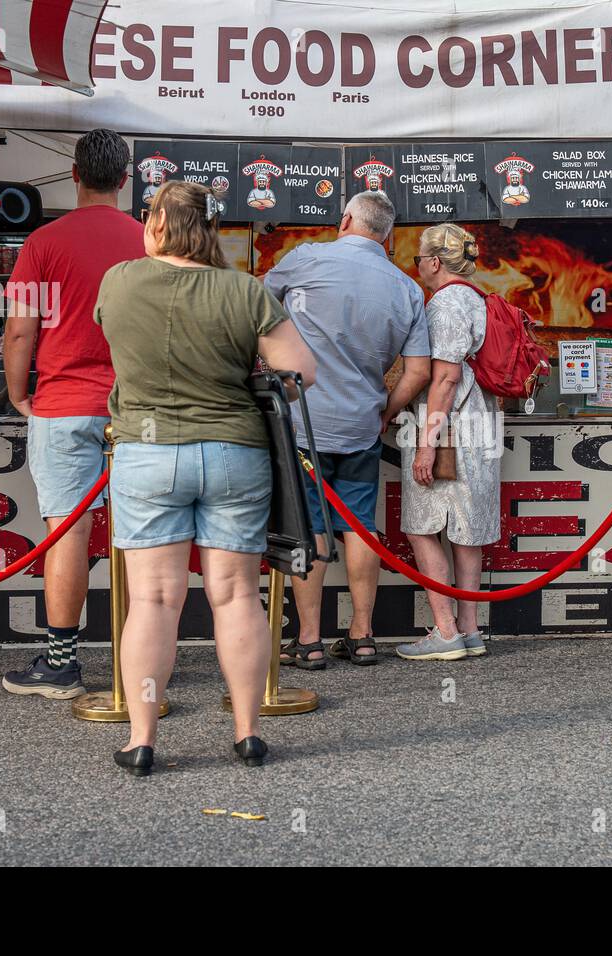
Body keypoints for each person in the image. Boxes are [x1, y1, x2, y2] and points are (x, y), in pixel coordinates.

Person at [95, 181, 316, 775]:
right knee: (238, 595)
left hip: (146, 453)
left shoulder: (118, 281)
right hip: (234, 453)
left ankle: (141, 739)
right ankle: (247, 733)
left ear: (159, 224)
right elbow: (301, 371)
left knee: (153, 600)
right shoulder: (244, 291)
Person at [1, 128, 144, 699]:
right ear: (127, 180)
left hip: (61, 405)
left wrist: (18, 393)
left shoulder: (44, 241)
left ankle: (62, 664)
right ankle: (142, 658)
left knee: (66, 530)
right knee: (141, 534)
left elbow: (18, 329)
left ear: (74, 176)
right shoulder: (149, 240)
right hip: (138, 408)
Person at [264, 191, 431, 667]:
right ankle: (362, 634)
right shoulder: (406, 288)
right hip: (362, 424)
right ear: (387, 237)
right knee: (360, 527)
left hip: (301, 423)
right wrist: (384, 408)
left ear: (344, 221)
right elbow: (417, 372)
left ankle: (310, 640)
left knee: (310, 525)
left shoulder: (306, 260)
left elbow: (254, 306)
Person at [396, 224, 501, 661]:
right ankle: (470, 630)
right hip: (480, 425)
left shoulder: (444, 304)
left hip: (449, 429)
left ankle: (445, 631)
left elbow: (445, 377)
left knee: (422, 526)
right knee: (466, 531)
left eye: (420, 258)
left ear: (434, 262)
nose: (418, 264)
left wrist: (426, 443)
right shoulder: (477, 298)